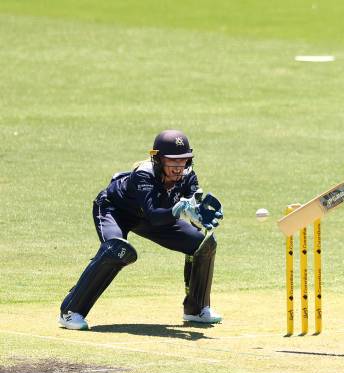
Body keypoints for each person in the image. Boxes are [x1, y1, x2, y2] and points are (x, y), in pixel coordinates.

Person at [58, 130, 224, 330]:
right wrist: (179, 209)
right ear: (158, 159)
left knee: (203, 244)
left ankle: (196, 310)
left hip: (149, 217)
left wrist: (198, 216)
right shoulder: (143, 174)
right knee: (116, 249)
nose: (178, 167)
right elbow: (154, 214)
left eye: (183, 160)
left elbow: (192, 204)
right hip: (115, 210)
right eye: (172, 161)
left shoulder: (188, 176)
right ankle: (70, 311)